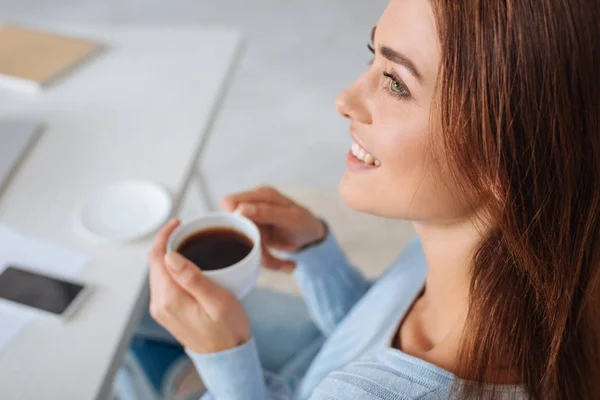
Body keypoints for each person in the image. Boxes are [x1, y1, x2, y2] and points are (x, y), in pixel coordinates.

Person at [140, 0, 600, 398]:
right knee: (143, 302)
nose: (345, 99)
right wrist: (318, 255)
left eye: (396, 82)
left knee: (129, 345)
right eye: (372, 57)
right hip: (317, 352)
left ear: (505, 162)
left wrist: (223, 364)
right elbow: (370, 332)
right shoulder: (492, 249)